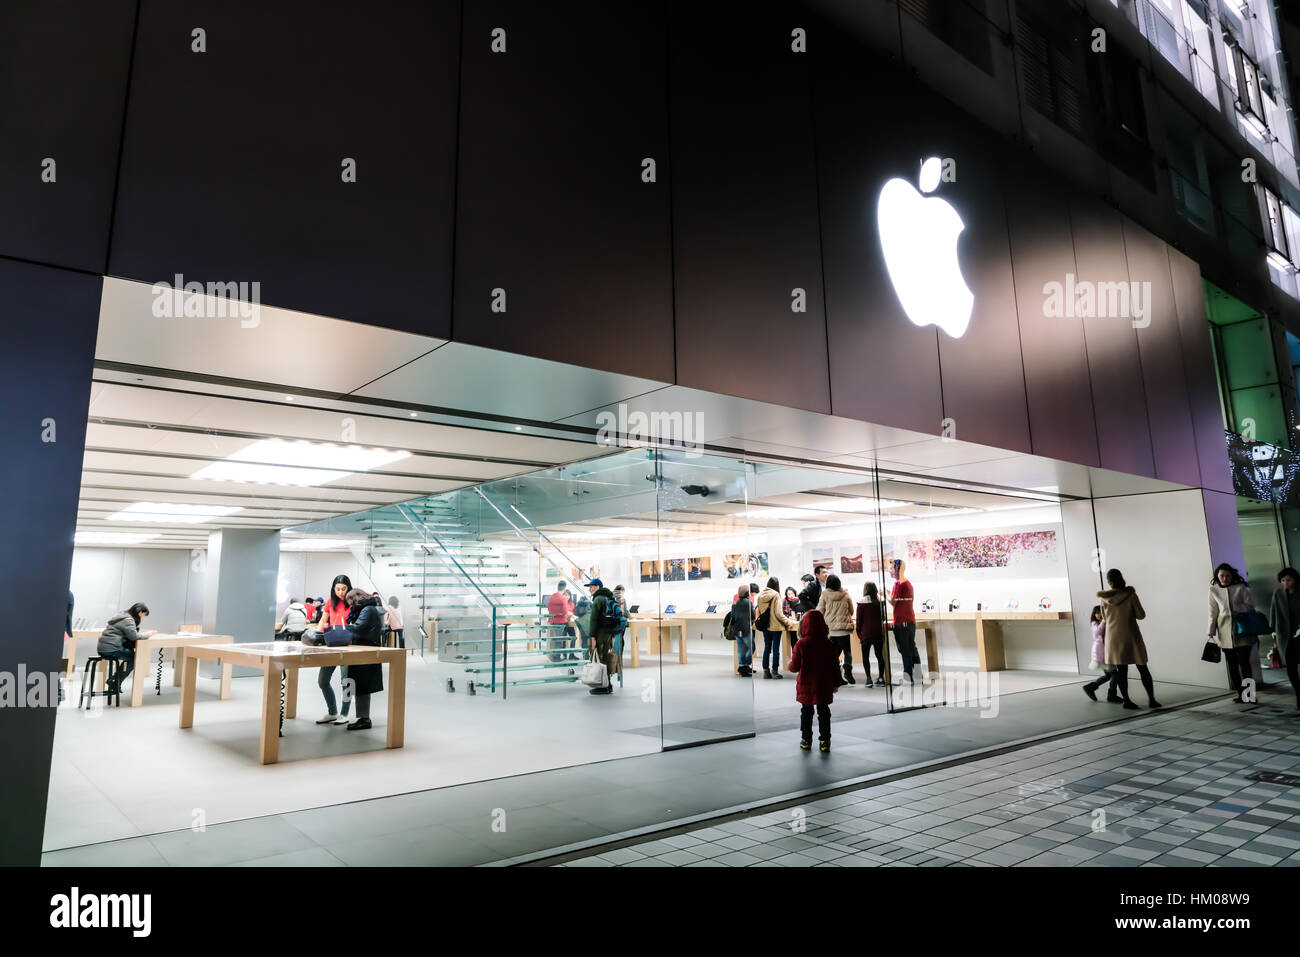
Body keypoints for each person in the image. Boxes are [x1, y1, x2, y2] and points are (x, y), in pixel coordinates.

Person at [1099, 568, 1161, 710]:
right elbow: (1141, 615)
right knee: (1143, 668)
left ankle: (1127, 701)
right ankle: (1152, 699)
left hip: (1113, 638)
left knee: (1122, 672)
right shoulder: (1131, 595)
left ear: (1109, 582)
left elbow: (1104, 618)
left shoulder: (1103, 599)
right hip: (1131, 636)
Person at [788, 609, 841, 753]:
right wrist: (836, 682)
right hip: (823, 685)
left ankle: (806, 740)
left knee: (806, 712)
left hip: (806, 684)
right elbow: (835, 667)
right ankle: (825, 741)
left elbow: (794, 667)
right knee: (824, 712)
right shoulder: (828, 644)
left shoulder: (801, 644)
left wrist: (789, 665)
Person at [1208, 562, 1259, 702]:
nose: (1225, 578)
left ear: (1232, 576)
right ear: (1217, 576)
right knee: (1232, 666)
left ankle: (1250, 695)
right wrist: (1211, 630)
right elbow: (1212, 612)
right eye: (1222, 576)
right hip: (1224, 630)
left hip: (1242, 629)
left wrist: (1234, 606)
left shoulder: (1241, 588)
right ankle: (1240, 695)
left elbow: (1250, 607)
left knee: (1245, 664)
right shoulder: (1213, 590)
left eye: (1227, 576)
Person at [342, 588, 385, 730]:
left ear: (355, 598)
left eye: (350, 601)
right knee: (362, 686)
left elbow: (358, 627)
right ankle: (363, 717)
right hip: (365, 649)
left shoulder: (367, 610)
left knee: (362, 687)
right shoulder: (371, 608)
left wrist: (341, 629)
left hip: (364, 650)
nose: (349, 605)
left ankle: (364, 719)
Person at [316, 574, 353, 725]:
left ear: (348, 588)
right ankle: (332, 712)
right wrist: (317, 636)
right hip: (332, 645)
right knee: (322, 681)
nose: (341, 592)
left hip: (349, 647)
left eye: (344, 589)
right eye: (337, 589)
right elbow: (323, 620)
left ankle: (344, 714)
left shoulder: (353, 603)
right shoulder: (331, 602)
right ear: (333, 589)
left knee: (347, 681)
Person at [97, 602, 153, 696]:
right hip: (112, 649)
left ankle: (114, 680)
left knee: (130, 654)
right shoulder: (128, 620)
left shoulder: (121, 616)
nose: (142, 618)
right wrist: (148, 634)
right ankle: (115, 681)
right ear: (139, 612)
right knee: (134, 658)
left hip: (103, 647)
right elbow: (133, 636)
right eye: (143, 615)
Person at [573, 579, 616, 695]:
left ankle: (602, 686)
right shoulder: (609, 598)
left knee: (600, 658)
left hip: (600, 633)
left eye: (592, 586)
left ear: (598, 587)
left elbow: (593, 620)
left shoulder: (598, 599)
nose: (590, 589)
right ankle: (608, 684)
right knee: (605, 658)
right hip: (608, 632)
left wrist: (592, 637)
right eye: (589, 587)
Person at [1269, 567, 1300, 709]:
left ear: (1295, 580)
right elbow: (1273, 611)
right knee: (1291, 668)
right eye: (1283, 580)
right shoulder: (1278, 593)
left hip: (1299, 635)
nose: (1285, 583)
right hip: (1285, 636)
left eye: (1288, 579)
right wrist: (1273, 632)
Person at [818, 573, 856, 684]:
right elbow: (852, 611)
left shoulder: (824, 595)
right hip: (844, 629)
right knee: (847, 652)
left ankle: (835, 676)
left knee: (833, 654)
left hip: (831, 630)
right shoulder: (845, 594)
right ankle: (848, 670)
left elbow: (820, 611)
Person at [888, 559, 920, 683]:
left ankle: (908, 678)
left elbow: (893, 602)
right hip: (910, 621)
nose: (889, 571)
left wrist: (883, 595)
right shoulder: (908, 583)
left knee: (905, 651)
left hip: (901, 622)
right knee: (912, 649)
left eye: (891, 568)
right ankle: (918, 677)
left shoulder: (898, 584)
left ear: (897, 569)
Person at [755, 577, 794, 679]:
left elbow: (759, 612)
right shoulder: (776, 595)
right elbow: (778, 613)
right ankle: (775, 671)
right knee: (776, 649)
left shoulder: (761, 595)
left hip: (765, 626)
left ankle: (765, 671)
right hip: (775, 627)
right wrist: (788, 621)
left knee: (767, 648)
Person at [1081, 604, 1121, 703]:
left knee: (1109, 675)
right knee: (1115, 674)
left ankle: (1090, 687)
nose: (1099, 615)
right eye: (1097, 613)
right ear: (1094, 615)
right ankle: (1111, 695)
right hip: (1101, 653)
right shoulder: (1095, 624)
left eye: (1101, 613)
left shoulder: (1102, 623)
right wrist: (1104, 620)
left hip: (1104, 652)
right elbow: (1098, 632)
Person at [855, 582, 887, 687]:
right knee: (879, 656)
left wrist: (859, 633)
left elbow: (859, 621)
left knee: (865, 657)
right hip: (878, 633)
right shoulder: (880, 601)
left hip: (866, 634)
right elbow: (884, 618)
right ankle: (881, 678)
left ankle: (868, 679)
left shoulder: (861, 602)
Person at [547, 583, 575, 661]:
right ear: (564, 588)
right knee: (559, 640)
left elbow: (549, 608)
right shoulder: (562, 598)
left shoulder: (552, 596)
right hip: (560, 621)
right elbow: (565, 611)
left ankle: (555, 656)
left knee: (556, 639)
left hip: (552, 620)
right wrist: (565, 613)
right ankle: (557, 657)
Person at [732, 585, 755, 677]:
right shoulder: (748, 602)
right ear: (747, 592)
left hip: (737, 629)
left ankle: (742, 667)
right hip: (746, 628)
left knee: (741, 649)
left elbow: (733, 617)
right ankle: (746, 664)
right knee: (751, 647)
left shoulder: (735, 603)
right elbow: (752, 616)